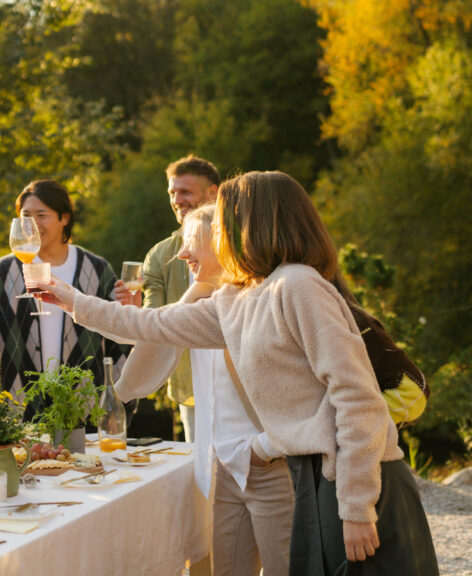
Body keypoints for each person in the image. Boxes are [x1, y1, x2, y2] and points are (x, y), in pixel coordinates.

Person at [37, 171, 438, 574]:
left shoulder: (298, 286)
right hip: (314, 476)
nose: (215, 236)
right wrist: (71, 299)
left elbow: (358, 398)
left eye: (222, 224)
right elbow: (151, 324)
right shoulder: (236, 298)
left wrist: (356, 506)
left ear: (251, 226)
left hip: (356, 481)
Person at [107, 205, 293, 575]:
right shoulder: (199, 300)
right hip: (225, 473)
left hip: (273, 468)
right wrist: (68, 300)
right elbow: (146, 329)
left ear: (223, 241)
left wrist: (265, 449)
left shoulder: (264, 303)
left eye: (191, 241)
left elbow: (298, 392)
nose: (182, 253)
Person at [0, 180, 129, 419]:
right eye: (26, 216)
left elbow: (120, 342)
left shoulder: (97, 270)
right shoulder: (3, 271)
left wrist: (120, 406)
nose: (32, 224)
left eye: (41, 215)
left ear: (64, 218)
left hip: (84, 411)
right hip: (17, 413)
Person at [142, 155, 219, 442]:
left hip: (242, 383)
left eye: (185, 191)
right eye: (172, 193)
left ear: (212, 193)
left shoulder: (242, 243)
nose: (176, 200)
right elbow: (153, 318)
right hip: (192, 385)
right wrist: (132, 313)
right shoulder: (160, 255)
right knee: (199, 465)